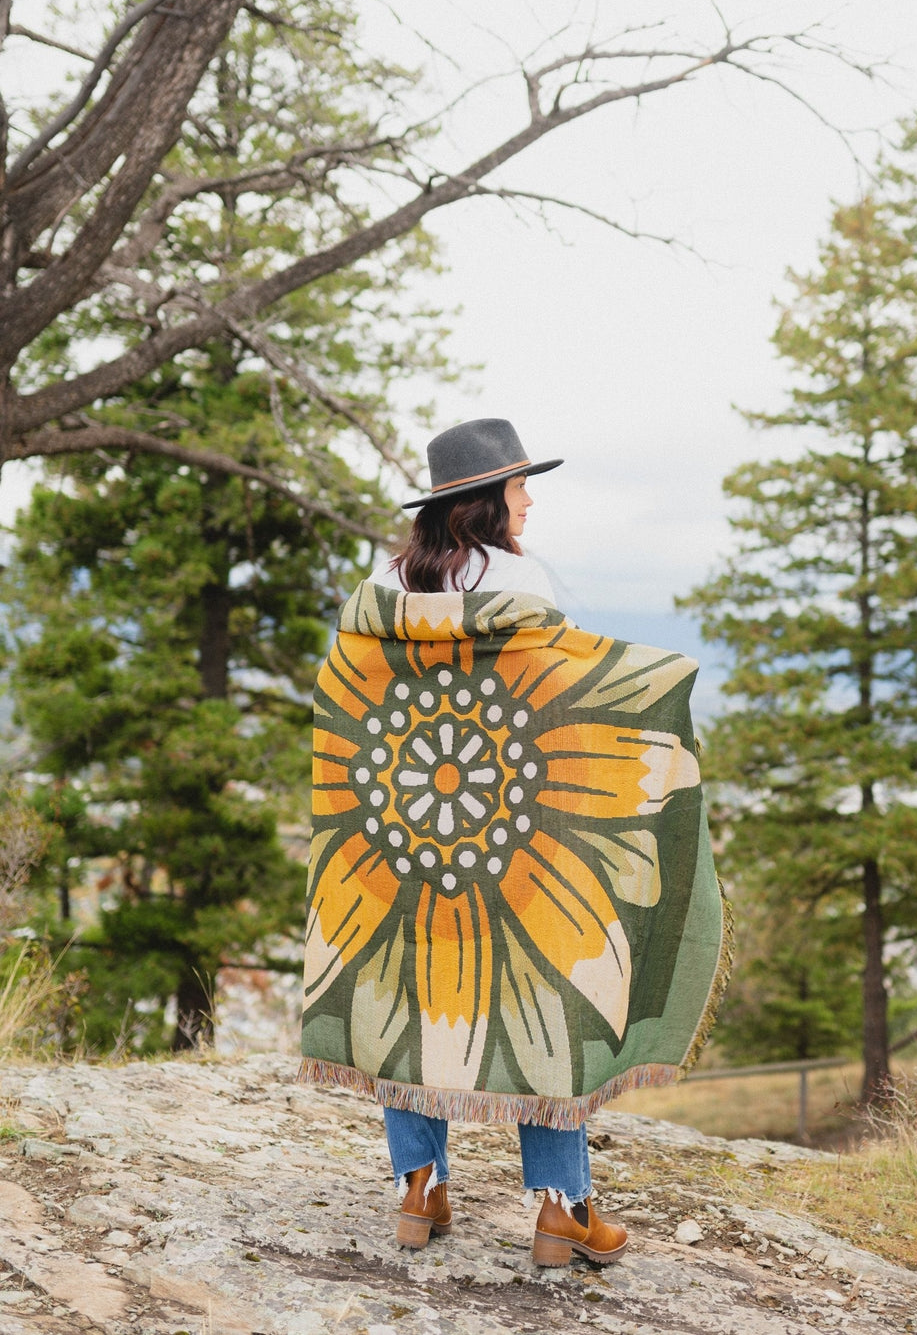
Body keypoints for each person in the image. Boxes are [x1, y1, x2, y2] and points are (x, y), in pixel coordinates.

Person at [366, 417, 628, 1266]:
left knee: (413, 1003)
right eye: (519, 488)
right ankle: (561, 1207)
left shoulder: (383, 587)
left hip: (411, 832)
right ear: (485, 503)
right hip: (514, 839)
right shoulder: (526, 583)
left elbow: (362, 707)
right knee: (537, 1005)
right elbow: (564, 705)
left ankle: (421, 1187)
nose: (529, 500)